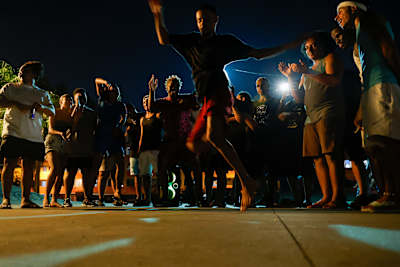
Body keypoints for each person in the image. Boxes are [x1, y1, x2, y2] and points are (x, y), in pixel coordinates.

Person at [148, 1, 303, 211]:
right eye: (199, 20)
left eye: (207, 20)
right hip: (205, 99)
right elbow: (163, 38)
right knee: (196, 145)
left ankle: (247, 181)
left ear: (215, 21)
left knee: (214, 137)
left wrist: (287, 46)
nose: (203, 23)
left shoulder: (225, 43)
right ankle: (246, 179)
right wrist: (158, 14)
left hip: (218, 92)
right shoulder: (191, 42)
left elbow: (256, 54)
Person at [335, 1, 400, 211]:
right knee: (372, 144)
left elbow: (388, 48)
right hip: (371, 90)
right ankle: (385, 194)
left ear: (354, 9)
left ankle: (392, 194)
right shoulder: (358, 37)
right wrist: (362, 108)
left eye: (340, 12)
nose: (337, 17)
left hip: (383, 84)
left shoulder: (368, 20)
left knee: (384, 141)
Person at [279, 31, 346, 209]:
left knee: (331, 155)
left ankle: (338, 197)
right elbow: (299, 98)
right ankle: (326, 196)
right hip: (310, 117)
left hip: (328, 112)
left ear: (323, 44)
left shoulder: (330, 59)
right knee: (317, 158)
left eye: (314, 45)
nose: (310, 49)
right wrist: (291, 78)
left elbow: (334, 81)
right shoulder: (305, 72)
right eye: (306, 47)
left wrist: (307, 71)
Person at [0, 61, 55, 209]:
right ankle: (6, 199)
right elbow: (0, 101)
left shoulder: (41, 93)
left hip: (33, 135)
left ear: (35, 74)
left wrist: (41, 107)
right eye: (21, 70)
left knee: (29, 167)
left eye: (26, 70)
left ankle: (26, 200)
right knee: (9, 163)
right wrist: (15, 103)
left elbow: (52, 112)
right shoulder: (10, 88)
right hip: (13, 131)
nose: (21, 72)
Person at [330, 26, 371, 209]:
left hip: (354, 111)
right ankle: (352, 193)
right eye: (335, 38)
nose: (338, 40)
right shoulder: (344, 57)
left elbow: (362, 85)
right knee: (346, 155)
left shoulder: (355, 58)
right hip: (340, 114)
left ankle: (365, 192)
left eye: (339, 35)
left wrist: (359, 112)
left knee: (360, 153)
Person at [148, 74, 201, 206]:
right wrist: (151, 90)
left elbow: (196, 102)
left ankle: (194, 198)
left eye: (176, 86)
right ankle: (165, 197)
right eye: (171, 86)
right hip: (169, 141)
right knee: (163, 169)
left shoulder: (185, 100)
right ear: (166, 88)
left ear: (179, 87)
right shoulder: (165, 102)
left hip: (183, 140)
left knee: (189, 169)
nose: (174, 88)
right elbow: (151, 107)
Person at [92, 78, 127, 206]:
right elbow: (96, 81)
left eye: (115, 90)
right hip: (101, 135)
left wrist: (119, 126)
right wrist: (106, 83)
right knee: (100, 168)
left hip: (114, 136)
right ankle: (93, 196)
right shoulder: (102, 99)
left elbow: (124, 117)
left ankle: (117, 191)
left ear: (118, 93)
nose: (113, 91)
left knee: (120, 162)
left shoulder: (120, 105)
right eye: (111, 90)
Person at [63, 88, 97, 207]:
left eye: (83, 97)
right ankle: (67, 198)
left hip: (86, 148)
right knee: (70, 173)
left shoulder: (91, 113)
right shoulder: (69, 111)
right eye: (78, 98)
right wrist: (74, 113)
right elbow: (66, 127)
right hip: (72, 148)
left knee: (86, 174)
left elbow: (95, 129)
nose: (81, 100)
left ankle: (87, 198)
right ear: (75, 99)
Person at [43, 94, 73, 208]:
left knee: (60, 173)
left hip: (64, 143)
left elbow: (72, 129)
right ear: (61, 102)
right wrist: (60, 133)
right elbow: (50, 129)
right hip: (53, 140)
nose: (69, 101)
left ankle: (54, 199)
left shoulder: (71, 115)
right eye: (67, 99)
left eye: (70, 99)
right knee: (54, 168)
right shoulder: (54, 111)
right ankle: (46, 197)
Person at [137, 95, 163, 206]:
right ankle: (147, 199)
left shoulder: (157, 116)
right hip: (144, 150)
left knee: (157, 175)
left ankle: (157, 198)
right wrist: (139, 149)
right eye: (143, 102)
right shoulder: (142, 119)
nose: (145, 103)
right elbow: (142, 135)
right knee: (145, 175)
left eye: (147, 101)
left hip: (155, 149)